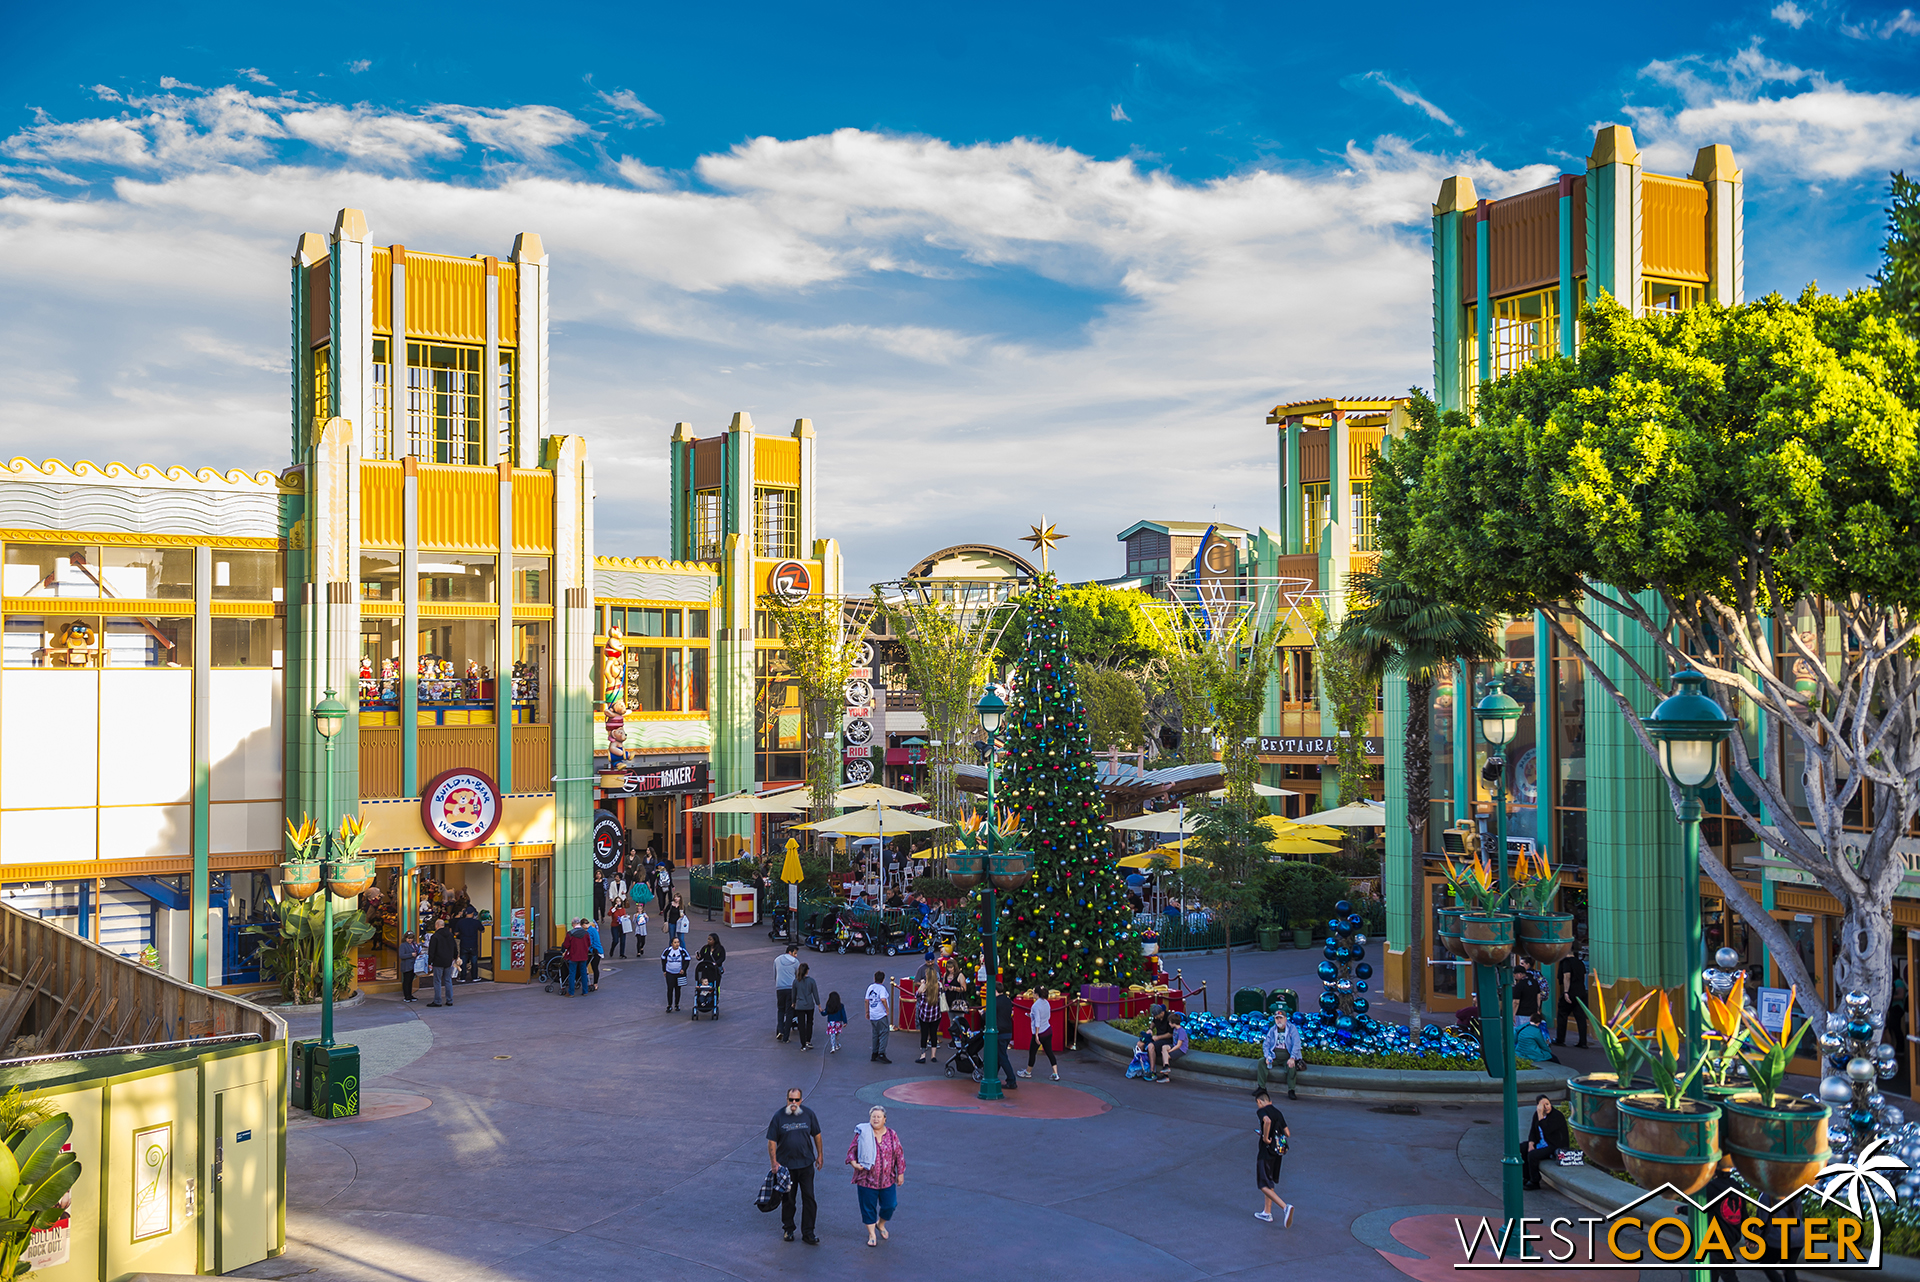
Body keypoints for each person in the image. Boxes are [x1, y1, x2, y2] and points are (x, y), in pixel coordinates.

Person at [767, 1086, 823, 1245]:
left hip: (806, 1165)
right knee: (788, 1199)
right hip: (786, 1166)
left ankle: (808, 1232)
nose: (793, 1102)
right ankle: (788, 1229)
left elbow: (817, 1135)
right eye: (790, 1100)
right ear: (786, 1100)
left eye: (796, 1100)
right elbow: (771, 1141)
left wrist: (820, 1155)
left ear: (801, 1100)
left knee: (809, 1198)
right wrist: (773, 1163)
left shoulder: (809, 1114)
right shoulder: (778, 1116)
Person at [846, 1104, 906, 1247]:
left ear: (885, 1119)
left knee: (890, 1205)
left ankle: (881, 1223)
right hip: (866, 1180)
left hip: (887, 1179)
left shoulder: (892, 1135)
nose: (876, 1119)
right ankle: (872, 1234)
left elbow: (899, 1154)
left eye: (879, 1116)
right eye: (873, 1116)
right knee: (868, 1207)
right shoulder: (863, 1133)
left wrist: (901, 1173)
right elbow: (851, 1151)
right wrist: (854, 1163)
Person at [1253, 1087, 1294, 1226]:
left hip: (1265, 1152)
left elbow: (1267, 1121)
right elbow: (1287, 1133)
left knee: (1263, 1184)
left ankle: (1285, 1207)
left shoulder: (1261, 1111)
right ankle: (1267, 1212)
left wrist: (1265, 1137)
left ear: (1259, 1102)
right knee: (1269, 1181)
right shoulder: (1278, 1112)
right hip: (1277, 1152)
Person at [1522, 1095, 1570, 1190]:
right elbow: (1533, 1131)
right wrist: (1531, 1144)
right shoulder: (1536, 1114)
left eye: (1547, 1104)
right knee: (1522, 1148)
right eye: (1543, 1105)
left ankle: (1535, 1181)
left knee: (1533, 1155)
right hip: (1541, 1142)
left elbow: (1547, 1130)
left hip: (1554, 1145)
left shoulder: (1557, 1116)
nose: (1546, 1107)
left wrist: (1541, 1116)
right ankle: (1526, 1177)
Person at [1258, 1007, 1303, 1100]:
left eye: (1280, 1018)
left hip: (1287, 1056)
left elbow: (1296, 1044)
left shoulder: (1292, 1029)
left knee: (1291, 1066)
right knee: (1261, 1062)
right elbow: (1266, 1044)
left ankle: (1291, 1090)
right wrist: (1267, 1056)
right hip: (1274, 1056)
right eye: (1276, 1018)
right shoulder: (1272, 1030)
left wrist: (1293, 1057)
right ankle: (1261, 1088)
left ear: (1285, 1019)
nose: (1279, 1020)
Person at [1019, 989, 1059, 1081]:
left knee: (1032, 1053)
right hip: (1048, 1030)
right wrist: (1031, 1016)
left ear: (1036, 994)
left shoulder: (1035, 1006)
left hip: (1040, 1032)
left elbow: (1037, 1021)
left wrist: (1036, 1034)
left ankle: (1028, 1072)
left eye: (1033, 992)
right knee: (1049, 1052)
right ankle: (1055, 1073)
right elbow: (1047, 1016)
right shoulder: (1046, 1003)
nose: (1032, 994)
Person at [1556, 950, 1590, 1048]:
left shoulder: (1566, 962)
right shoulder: (1580, 963)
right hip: (1581, 991)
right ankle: (1583, 1041)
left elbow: (1567, 976)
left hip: (1571, 991)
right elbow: (1583, 976)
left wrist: (1566, 991)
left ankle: (1560, 1039)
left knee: (1562, 1014)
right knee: (1581, 1017)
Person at [913, 956, 942, 1064]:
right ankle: (933, 1056)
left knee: (924, 1035)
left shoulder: (924, 987)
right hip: (936, 1014)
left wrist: (922, 983)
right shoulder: (939, 986)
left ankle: (923, 1055)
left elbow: (917, 995)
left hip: (925, 1014)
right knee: (934, 1034)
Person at [426, 916, 458, 1007]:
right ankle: (449, 1000)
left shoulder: (435, 936)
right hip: (448, 960)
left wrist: (429, 962)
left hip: (438, 961)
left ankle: (437, 1001)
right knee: (448, 980)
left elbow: (432, 951)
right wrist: (454, 957)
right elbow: (454, 947)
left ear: (437, 925)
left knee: (437, 981)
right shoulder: (450, 935)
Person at [991, 990, 1019, 1090]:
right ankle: (993, 1076)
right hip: (1007, 1031)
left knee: (1002, 1056)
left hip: (1000, 1031)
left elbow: (989, 1016)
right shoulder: (1007, 1000)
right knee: (1000, 1055)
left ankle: (1011, 1079)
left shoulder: (995, 1001)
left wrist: (982, 1014)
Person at [791, 961, 820, 1050]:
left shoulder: (796, 981)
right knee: (810, 1022)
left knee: (801, 1024)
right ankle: (808, 1041)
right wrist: (818, 1005)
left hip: (799, 1005)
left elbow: (793, 994)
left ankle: (803, 1044)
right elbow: (815, 994)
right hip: (809, 1005)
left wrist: (793, 1003)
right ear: (807, 971)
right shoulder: (811, 981)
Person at [866, 970, 893, 1064]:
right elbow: (883, 999)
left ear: (874, 978)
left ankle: (874, 1052)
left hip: (873, 1014)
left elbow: (866, 1000)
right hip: (880, 1014)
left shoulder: (870, 987)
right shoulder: (882, 989)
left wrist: (867, 1012)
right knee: (884, 1032)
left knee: (875, 1033)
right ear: (883, 980)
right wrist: (887, 1009)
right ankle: (881, 1053)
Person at [453, 903, 484, 983]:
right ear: (473, 913)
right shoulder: (476, 922)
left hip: (464, 944)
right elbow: (482, 930)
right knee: (474, 961)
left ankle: (462, 977)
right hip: (473, 944)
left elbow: (455, 933)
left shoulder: (460, 922)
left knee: (463, 961)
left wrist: (461, 933)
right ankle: (474, 977)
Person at [561, 919, 593, 997]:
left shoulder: (570, 933)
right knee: (583, 973)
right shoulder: (586, 933)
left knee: (572, 974)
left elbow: (566, 945)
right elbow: (589, 943)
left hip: (573, 956)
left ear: (573, 924)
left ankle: (571, 992)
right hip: (583, 956)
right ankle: (585, 991)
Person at [775, 943, 800, 1041]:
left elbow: (775, 974)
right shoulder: (796, 962)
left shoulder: (777, 960)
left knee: (781, 1010)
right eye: (795, 953)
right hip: (791, 989)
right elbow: (798, 977)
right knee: (790, 1012)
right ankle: (786, 1036)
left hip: (780, 988)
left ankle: (780, 1030)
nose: (796, 955)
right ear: (790, 952)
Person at [1147, 1002, 1175, 1083]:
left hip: (1166, 1040)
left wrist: (1158, 1037)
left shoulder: (1169, 1018)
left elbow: (1170, 1034)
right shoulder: (1156, 1018)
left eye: (1156, 1016)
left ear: (1162, 1013)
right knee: (1141, 1043)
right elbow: (1153, 1022)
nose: (1155, 1018)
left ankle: (1153, 1072)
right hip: (1158, 1039)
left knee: (1151, 1046)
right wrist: (1150, 1029)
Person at [661, 936, 690, 1012]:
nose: (677, 944)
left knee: (678, 989)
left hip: (679, 974)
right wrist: (664, 970)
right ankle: (669, 1005)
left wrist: (683, 969)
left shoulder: (682, 951)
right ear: (671, 944)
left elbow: (687, 960)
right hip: (669, 972)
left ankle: (677, 1004)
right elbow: (663, 960)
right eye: (675, 942)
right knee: (670, 988)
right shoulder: (667, 951)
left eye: (678, 942)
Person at [397, 931, 421, 1004]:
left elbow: (417, 951)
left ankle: (410, 995)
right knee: (406, 981)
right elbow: (401, 955)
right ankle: (406, 996)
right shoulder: (403, 945)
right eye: (408, 938)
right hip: (406, 965)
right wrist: (411, 955)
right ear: (405, 938)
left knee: (410, 981)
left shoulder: (414, 944)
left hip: (413, 965)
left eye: (411, 938)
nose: (410, 940)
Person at [584, 915, 605, 991]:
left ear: (584, 925)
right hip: (599, 950)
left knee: (591, 966)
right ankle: (595, 983)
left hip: (594, 951)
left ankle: (594, 983)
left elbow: (590, 942)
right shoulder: (594, 929)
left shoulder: (589, 931)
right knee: (595, 967)